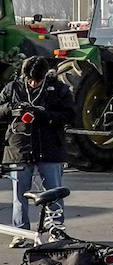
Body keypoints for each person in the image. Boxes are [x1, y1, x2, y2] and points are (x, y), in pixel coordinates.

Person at [0, 57, 75, 246]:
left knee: (53, 191)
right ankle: (21, 232)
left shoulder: (58, 89)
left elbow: (69, 115)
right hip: (19, 147)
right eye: (30, 79)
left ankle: (56, 229)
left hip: (49, 148)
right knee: (19, 194)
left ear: (45, 76)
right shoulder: (13, 87)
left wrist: (42, 115)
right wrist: (13, 110)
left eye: (37, 80)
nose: (33, 83)